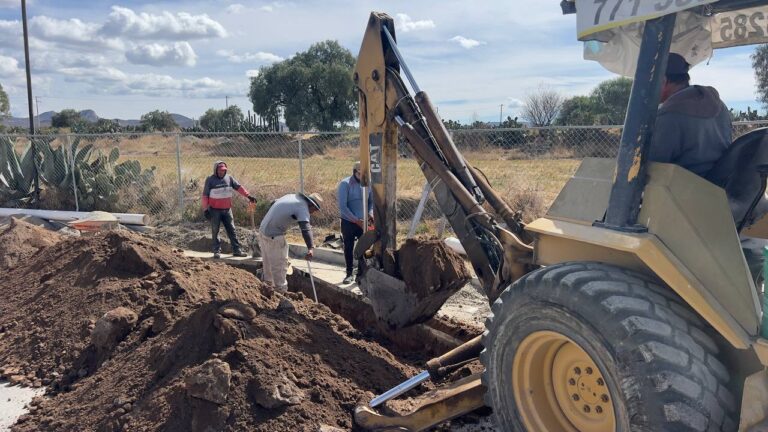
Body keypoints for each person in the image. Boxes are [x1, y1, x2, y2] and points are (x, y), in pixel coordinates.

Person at [648, 53, 732, 179]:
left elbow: (651, 166)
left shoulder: (668, 116)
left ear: (663, 81)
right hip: (723, 187)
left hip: (682, 192)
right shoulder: (720, 106)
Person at [258, 192, 323, 292]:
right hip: (274, 235)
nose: (312, 213)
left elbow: (273, 203)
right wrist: (310, 248)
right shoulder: (303, 207)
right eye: (314, 210)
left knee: (268, 265)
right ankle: (281, 295)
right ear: (311, 205)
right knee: (279, 266)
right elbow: (305, 229)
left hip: (263, 231)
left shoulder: (292, 197)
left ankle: (267, 288)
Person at [202, 160, 257, 259]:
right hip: (214, 210)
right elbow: (205, 195)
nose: (222, 172)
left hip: (227, 210)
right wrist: (205, 209)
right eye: (220, 170)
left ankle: (237, 250)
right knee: (215, 231)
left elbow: (239, 187)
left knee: (232, 230)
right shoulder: (210, 180)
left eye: (223, 170)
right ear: (215, 170)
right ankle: (216, 251)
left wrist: (248, 196)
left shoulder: (229, 178)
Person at [337, 161, 374, 284]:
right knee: (349, 246)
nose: (363, 176)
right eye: (360, 173)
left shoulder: (368, 184)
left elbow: (371, 202)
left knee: (364, 246)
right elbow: (343, 207)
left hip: (363, 221)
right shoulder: (345, 184)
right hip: (349, 222)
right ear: (355, 172)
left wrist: (370, 213)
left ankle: (361, 273)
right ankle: (349, 273)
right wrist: (355, 220)